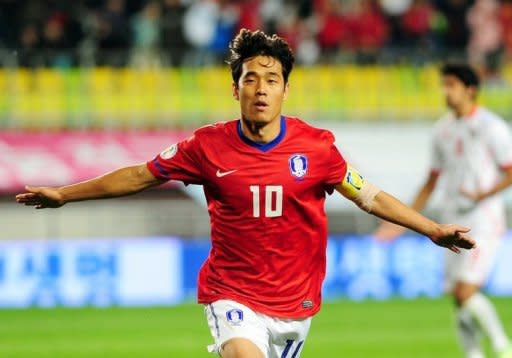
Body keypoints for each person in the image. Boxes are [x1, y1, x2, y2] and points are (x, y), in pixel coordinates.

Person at [16, 30, 475, 358]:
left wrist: (431, 229)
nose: (261, 88)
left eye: (271, 79)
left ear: (286, 89)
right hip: (231, 294)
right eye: (251, 78)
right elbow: (140, 175)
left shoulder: (316, 147)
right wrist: (64, 195)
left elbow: (368, 195)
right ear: (235, 87)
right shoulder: (205, 147)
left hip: (297, 302)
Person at [375, 63, 512, 358]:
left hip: (483, 219)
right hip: (452, 219)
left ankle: (503, 347)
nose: (445, 91)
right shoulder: (442, 130)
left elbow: (510, 170)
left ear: (470, 90)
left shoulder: (492, 127)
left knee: (465, 292)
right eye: (444, 84)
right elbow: (431, 181)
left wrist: (484, 193)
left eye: (451, 85)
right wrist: (401, 222)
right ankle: (473, 354)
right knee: (457, 296)